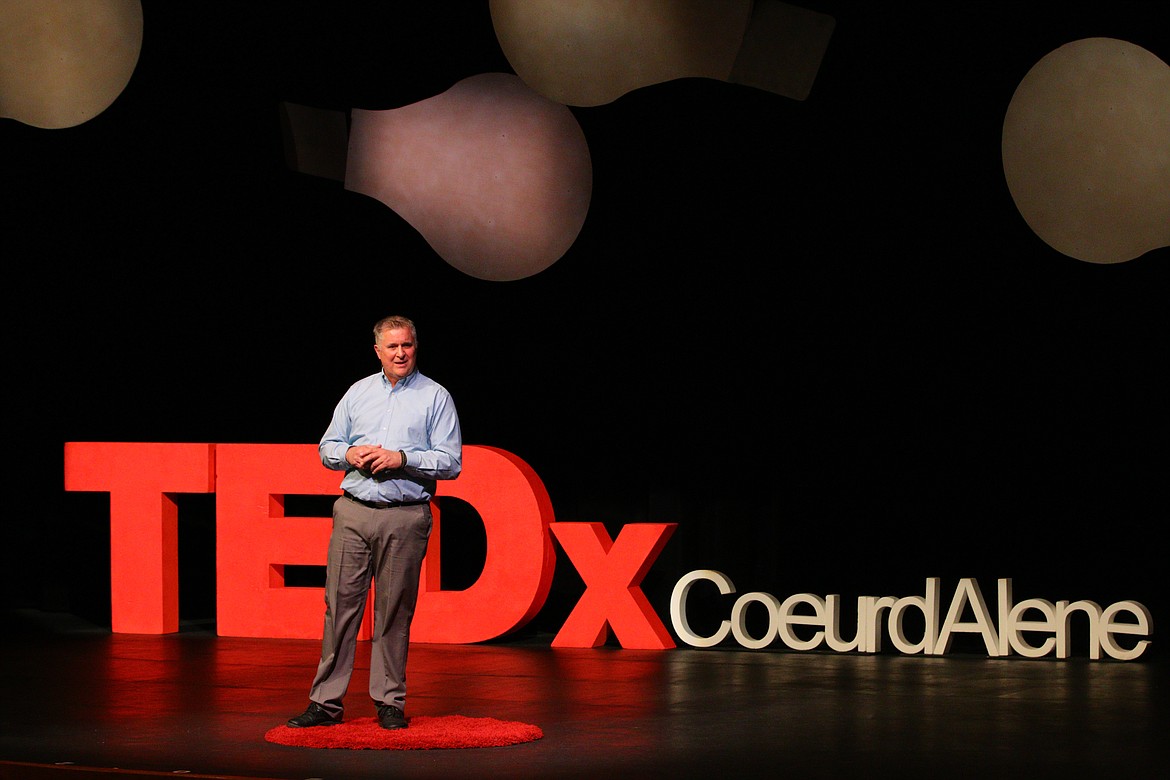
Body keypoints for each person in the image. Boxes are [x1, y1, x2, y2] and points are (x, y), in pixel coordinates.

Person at [287, 315, 462, 730]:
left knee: (393, 612)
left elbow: (451, 462)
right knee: (340, 609)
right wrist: (348, 455)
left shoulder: (435, 397)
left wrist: (403, 458)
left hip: (404, 516)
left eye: (408, 346)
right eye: (393, 347)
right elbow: (327, 446)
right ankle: (325, 703)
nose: (401, 354)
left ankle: (389, 702)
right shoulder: (358, 392)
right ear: (378, 351)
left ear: (415, 347)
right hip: (354, 511)